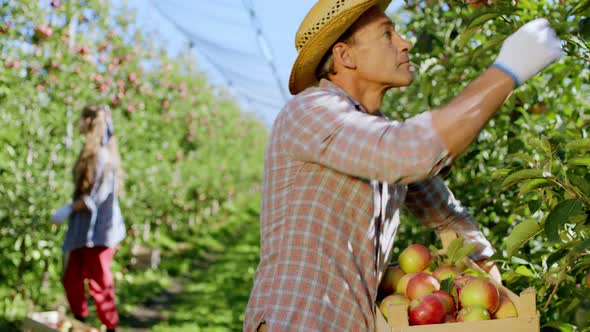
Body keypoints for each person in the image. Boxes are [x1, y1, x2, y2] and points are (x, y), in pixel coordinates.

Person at [244, 0, 563, 331]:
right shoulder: (311, 111)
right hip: (299, 319)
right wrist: (507, 71)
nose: (405, 42)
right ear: (345, 56)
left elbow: (447, 216)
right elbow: (412, 151)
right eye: (387, 33)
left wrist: (495, 297)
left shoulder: (374, 131)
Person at [61, 105, 126, 332]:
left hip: (100, 232)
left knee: (100, 284)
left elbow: (96, 198)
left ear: (88, 122)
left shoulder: (102, 156)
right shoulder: (90, 152)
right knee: (71, 279)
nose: (78, 124)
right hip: (83, 230)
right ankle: (81, 323)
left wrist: (69, 208)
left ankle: (111, 327)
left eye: (81, 119)